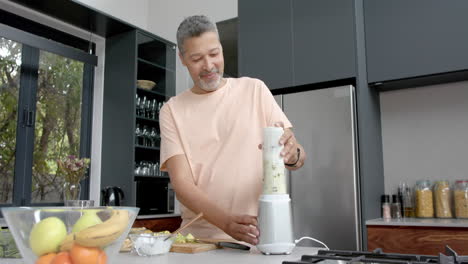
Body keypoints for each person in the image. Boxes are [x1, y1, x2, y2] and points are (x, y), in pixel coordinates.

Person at [159, 15, 306, 245]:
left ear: (221, 49)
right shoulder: (171, 110)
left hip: (257, 239)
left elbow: (297, 157)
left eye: (214, 54)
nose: (208, 66)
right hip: (197, 243)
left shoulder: (254, 89)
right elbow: (182, 183)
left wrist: (292, 153)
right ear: (182, 59)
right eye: (197, 58)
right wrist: (225, 222)